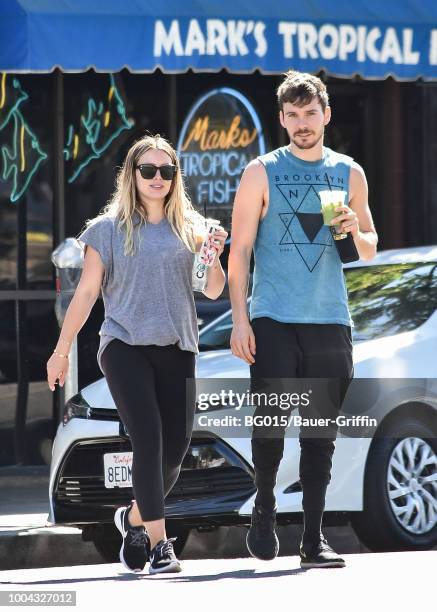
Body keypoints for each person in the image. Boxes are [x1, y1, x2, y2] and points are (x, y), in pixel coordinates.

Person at [47, 134, 227, 574]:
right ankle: (162, 546)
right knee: (147, 437)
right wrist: (61, 349)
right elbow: (87, 293)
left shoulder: (192, 228)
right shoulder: (106, 230)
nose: (158, 178)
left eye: (167, 171)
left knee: (175, 448)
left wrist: (214, 256)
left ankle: (132, 519)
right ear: (132, 175)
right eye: (148, 170)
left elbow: (213, 287)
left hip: (177, 344)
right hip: (124, 344)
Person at [228, 70, 378, 568]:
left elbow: (370, 250)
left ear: (326, 114)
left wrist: (356, 228)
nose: (302, 124)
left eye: (310, 113)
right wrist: (240, 319)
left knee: (320, 435)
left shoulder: (349, 173)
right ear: (282, 119)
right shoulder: (260, 172)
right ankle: (265, 507)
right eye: (292, 115)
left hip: (330, 319)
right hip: (273, 316)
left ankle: (312, 540)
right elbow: (240, 251)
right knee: (269, 427)